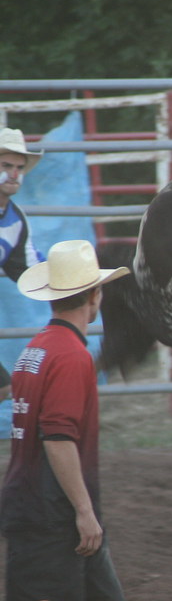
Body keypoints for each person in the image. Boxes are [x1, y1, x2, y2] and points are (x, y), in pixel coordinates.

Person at [0, 240, 130, 601]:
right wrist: (84, 511)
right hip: (51, 512)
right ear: (94, 295)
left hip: (42, 505)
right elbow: (57, 438)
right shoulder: (73, 356)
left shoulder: (36, 350)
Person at [0, 129, 46, 402]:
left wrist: (77, 278)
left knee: (3, 389)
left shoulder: (16, 221)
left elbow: (31, 271)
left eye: (19, 168)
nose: (14, 174)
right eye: (6, 166)